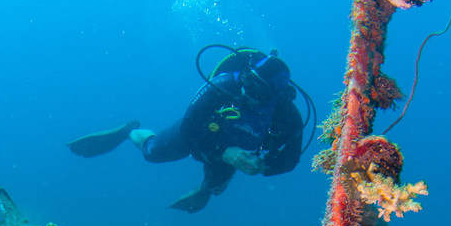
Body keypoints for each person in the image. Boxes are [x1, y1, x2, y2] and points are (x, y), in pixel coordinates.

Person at [67, 50, 304, 213]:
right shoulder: (225, 84)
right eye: (247, 81)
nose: (246, 92)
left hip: (233, 152)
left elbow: (290, 161)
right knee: (151, 153)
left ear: (274, 95)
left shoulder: (287, 116)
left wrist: (262, 167)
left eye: (258, 91)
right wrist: (223, 150)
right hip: (199, 136)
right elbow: (189, 124)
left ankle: (204, 189)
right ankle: (129, 131)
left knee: (216, 188)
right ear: (245, 74)